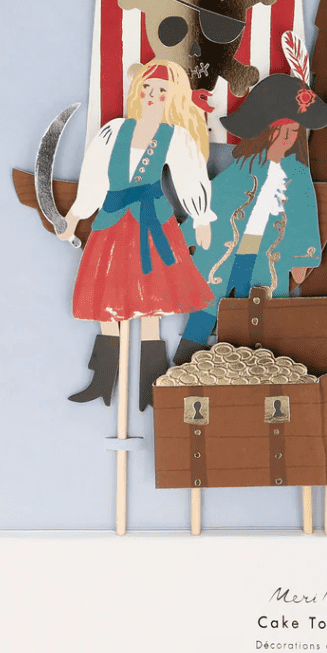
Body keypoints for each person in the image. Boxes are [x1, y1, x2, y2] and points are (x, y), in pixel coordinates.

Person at [58, 62, 216, 410]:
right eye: (147, 88)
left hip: (151, 221)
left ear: (171, 98)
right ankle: (102, 382)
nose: (152, 96)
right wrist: (75, 216)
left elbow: (190, 177)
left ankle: (151, 387)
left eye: (161, 92)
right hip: (112, 219)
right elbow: (95, 178)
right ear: (138, 91)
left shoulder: (174, 137)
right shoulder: (114, 131)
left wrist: (202, 216)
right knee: (106, 297)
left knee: (151, 302)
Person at [172, 73, 327, 364]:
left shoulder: (298, 174)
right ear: (266, 132)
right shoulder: (245, 166)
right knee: (208, 305)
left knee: (260, 311)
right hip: (227, 248)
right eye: (280, 131)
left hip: (268, 255)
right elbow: (216, 198)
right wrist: (188, 232)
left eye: (293, 131)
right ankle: (184, 362)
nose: (287, 138)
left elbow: (303, 214)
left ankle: (254, 365)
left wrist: (302, 257)